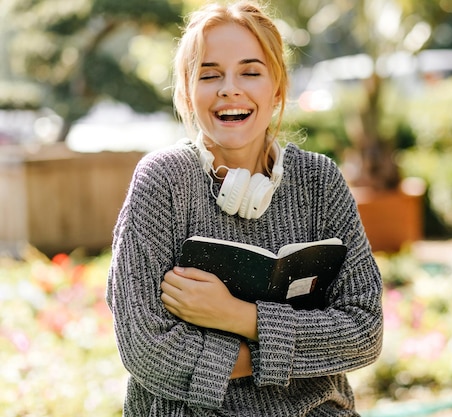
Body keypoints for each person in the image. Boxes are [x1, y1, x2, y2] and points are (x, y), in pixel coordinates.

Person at [106, 1, 383, 416]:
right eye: (209, 74)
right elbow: (146, 349)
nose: (229, 88)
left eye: (250, 72)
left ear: (276, 89)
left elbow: (364, 330)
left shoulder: (320, 181)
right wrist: (298, 356)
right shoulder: (161, 181)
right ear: (186, 91)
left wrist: (238, 316)